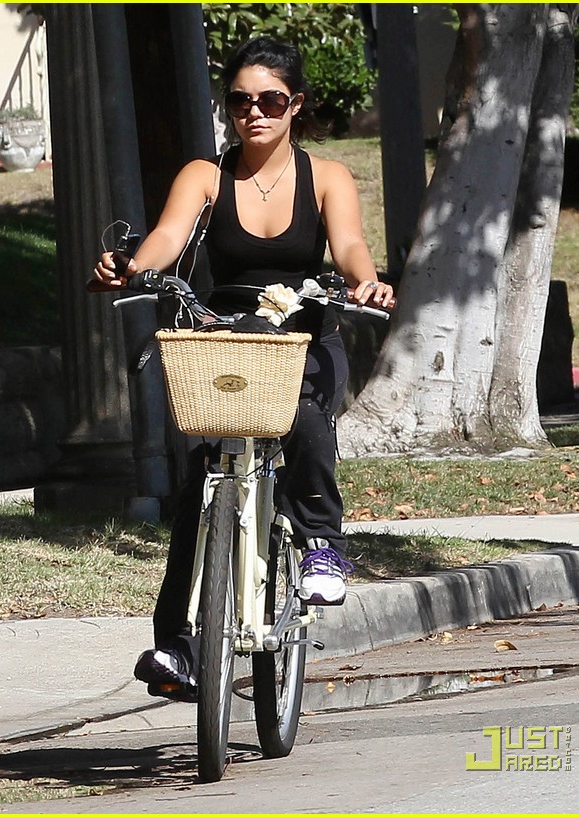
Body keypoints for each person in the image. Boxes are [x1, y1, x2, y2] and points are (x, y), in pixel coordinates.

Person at [92, 37, 396, 695]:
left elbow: (348, 245)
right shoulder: (206, 174)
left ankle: (321, 543)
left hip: (304, 335)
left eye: (270, 101)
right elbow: (169, 237)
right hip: (227, 333)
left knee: (307, 419)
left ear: (296, 106)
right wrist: (135, 268)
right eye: (239, 101)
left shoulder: (328, 177)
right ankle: (178, 646)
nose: (253, 113)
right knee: (200, 483)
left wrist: (365, 282)